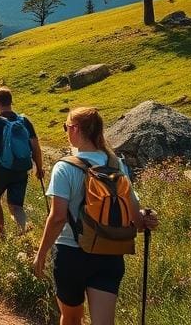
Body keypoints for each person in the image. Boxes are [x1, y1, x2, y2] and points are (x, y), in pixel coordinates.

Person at [32, 107, 159, 325]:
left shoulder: (64, 167)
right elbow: (134, 217)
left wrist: (41, 254)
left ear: (75, 129)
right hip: (110, 253)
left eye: (66, 127)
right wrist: (146, 219)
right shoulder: (116, 164)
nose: (66, 131)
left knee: (71, 318)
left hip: (72, 254)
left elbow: (58, 218)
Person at [0, 86, 44, 237]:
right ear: (11, 101)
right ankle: (25, 233)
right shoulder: (24, 121)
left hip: (1, 169)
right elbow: (36, 147)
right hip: (21, 169)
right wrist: (39, 168)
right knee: (16, 206)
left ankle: (2, 236)